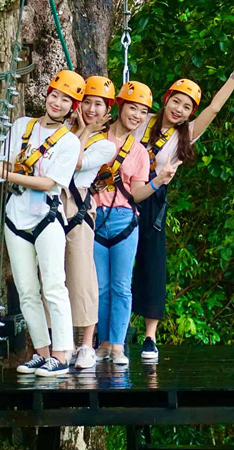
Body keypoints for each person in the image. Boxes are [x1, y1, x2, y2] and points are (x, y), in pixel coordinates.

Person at [131, 48, 234, 361]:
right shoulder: (141, 120)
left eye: (187, 107)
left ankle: (150, 337)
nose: (179, 109)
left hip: (153, 199)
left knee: (152, 264)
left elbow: (214, 109)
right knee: (114, 264)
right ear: (166, 99)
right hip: (122, 194)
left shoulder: (185, 134)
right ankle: (108, 336)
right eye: (176, 101)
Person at [0, 70, 85, 377]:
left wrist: (5, 175)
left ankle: (62, 353)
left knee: (54, 285)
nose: (57, 103)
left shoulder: (70, 142)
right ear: (47, 95)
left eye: (65, 100)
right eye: (54, 95)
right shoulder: (23, 126)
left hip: (47, 217)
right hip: (16, 215)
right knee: (27, 290)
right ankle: (42, 353)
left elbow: (47, 182)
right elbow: (6, 162)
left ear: (73, 107)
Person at [91, 81, 179, 365]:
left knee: (121, 286)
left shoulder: (139, 152)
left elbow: (138, 192)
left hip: (124, 219)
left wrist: (159, 180)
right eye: (133, 108)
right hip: (94, 216)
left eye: (143, 112)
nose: (137, 116)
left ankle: (116, 345)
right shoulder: (96, 138)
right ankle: (103, 342)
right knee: (100, 287)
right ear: (120, 107)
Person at [63, 76, 117, 369]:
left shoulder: (105, 145)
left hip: (79, 204)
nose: (91, 109)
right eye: (87, 102)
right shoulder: (63, 130)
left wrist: (85, 130)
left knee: (82, 273)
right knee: (56, 274)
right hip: (53, 200)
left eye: (98, 104)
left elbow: (75, 161)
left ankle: (86, 343)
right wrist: (80, 128)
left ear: (107, 111)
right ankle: (65, 342)